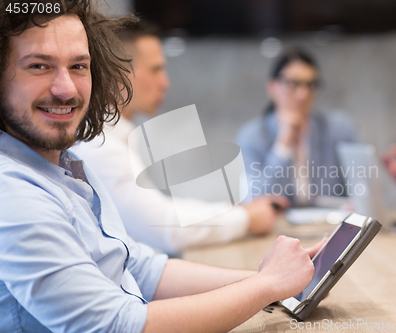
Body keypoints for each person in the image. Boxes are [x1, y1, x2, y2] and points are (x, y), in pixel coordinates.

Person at [0, 3, 325, 332]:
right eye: (39, 66)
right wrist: (267, 284)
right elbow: (118, 326)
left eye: (79, 66)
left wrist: (271, 281)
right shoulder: (13, 192)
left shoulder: (68, 165)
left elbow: (138, 266)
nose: (66, 88)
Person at [71, 20, 289, 255]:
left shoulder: (116, 137)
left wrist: (239, 212)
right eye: (156, 70)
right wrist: (245, 218)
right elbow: (166, 227)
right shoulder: (100, 146)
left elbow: (163, 211)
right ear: (118, 74)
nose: (165, 82)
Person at [237, 47, 357, 207]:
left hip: (330, 222)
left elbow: (360, 190)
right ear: (272, 87)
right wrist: (283, 145)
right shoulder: (251, 136)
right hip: (278, 228)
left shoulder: (339, 129)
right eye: (293, 84)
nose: (303, 94)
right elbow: (256, 200)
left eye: (311, 84)